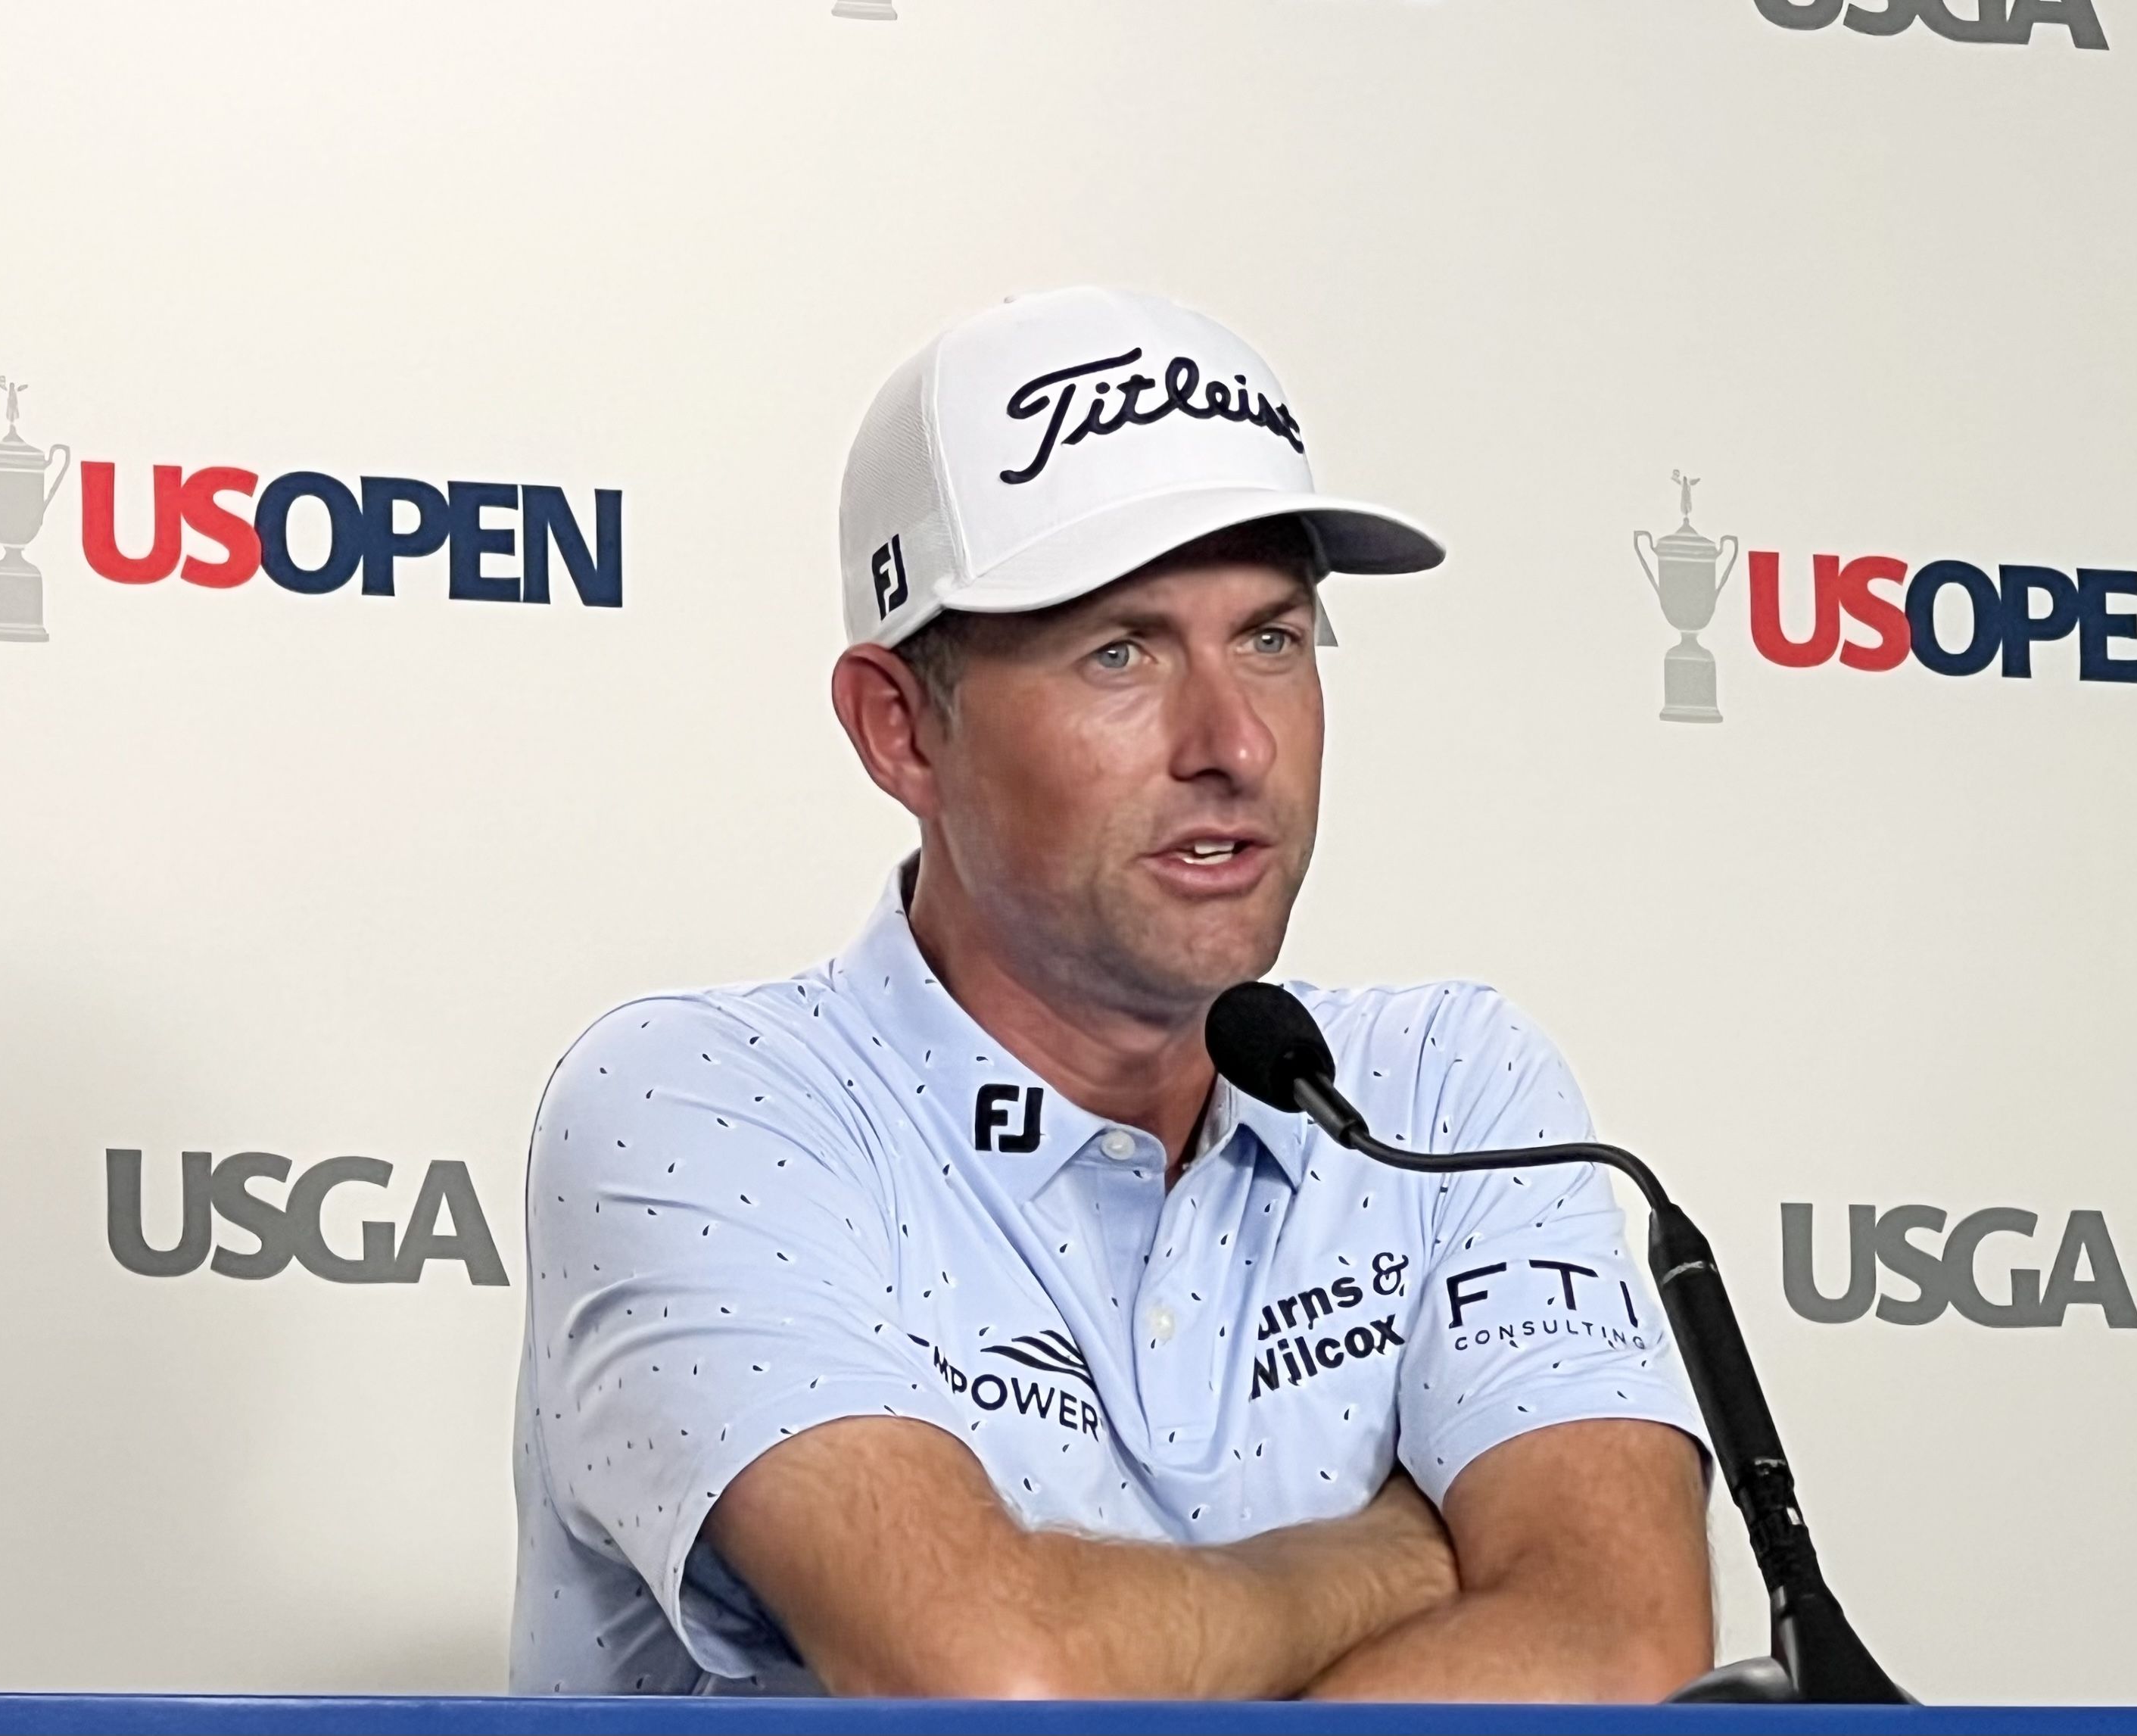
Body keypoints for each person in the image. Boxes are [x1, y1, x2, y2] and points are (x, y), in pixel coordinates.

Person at [508, 287, 1715, 1700]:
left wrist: (1145, 1637)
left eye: (1272, 638)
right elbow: (995, 1670)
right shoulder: (700, 1103)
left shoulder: (1449, 1085)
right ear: (901, 729)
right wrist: (1395, 1557)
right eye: (1120, 652)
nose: (1234, 743)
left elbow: (1619, 1644)